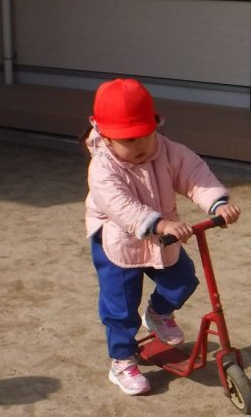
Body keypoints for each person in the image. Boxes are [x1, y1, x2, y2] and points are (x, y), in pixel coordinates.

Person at [84, 78, 241, 396]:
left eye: (146, 134)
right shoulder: (102, 168)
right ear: (106, 136)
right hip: (118, 240)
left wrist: (217, 203)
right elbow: (119, 206)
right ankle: (122, 360)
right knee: (120, 306)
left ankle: (158, 312)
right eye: (129, 139)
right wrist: (159, 224)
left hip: (162, 236)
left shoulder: (168, 151)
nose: (140, 145)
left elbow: (194, 176)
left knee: (183, 279)